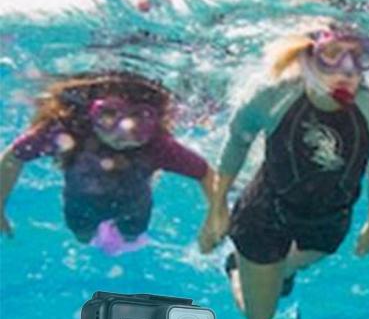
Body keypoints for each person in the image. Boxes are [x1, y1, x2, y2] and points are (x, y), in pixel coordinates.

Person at [199, 22, 369, 319]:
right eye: (332, 55)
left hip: (330, 219)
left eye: (360, 57)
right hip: (265, 214)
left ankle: (274, 271)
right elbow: (238, 142)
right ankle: (237, 268)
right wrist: (217, 208)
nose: (347, 70)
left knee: (293, 263)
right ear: (307, 56)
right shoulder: (273, 96)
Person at [0, 70, 215, 252]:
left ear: (155, 122)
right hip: (81, 202)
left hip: (134, 205)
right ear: (90, 112)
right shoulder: (67, 130)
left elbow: (205, 173)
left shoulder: (158, 146)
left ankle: (125, 240)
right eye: (109, 115)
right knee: (82, 236)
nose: (123, 132)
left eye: (140, 120)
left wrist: (215, 215)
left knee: (132, 233)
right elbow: (14, 156)